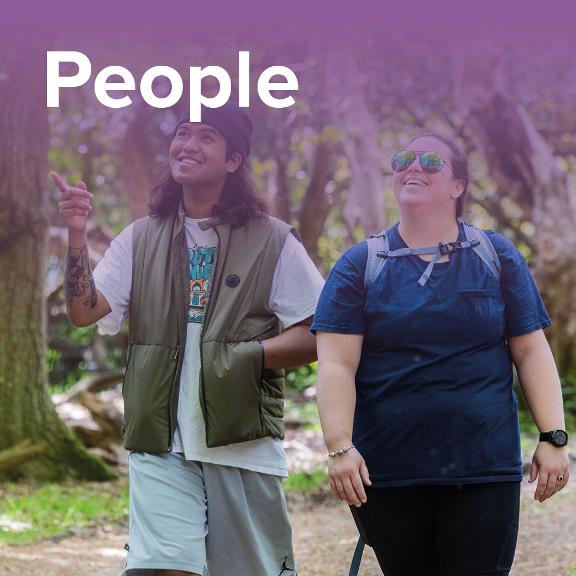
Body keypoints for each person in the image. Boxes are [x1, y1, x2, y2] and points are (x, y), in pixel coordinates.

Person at [52, 102, 324, 576]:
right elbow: (84, 311)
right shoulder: (140, 238)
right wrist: (77, 236)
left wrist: (248, 357)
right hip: (160, 439)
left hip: (241, 441)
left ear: (234, 161)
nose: (187, 145)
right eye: (182, 134)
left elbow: (317, 330)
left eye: (205, 137)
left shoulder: (273, 240)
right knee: (163, 568)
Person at [311, 133, 570, 576]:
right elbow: (336, 363)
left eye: (431, 161)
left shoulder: (497, 255)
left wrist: (553, 437)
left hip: (483, 466)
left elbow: (530, 350)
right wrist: (339, 448)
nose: (413, 167)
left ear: (458, 186)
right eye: (403, 159)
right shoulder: (360, 264)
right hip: (389, 470)